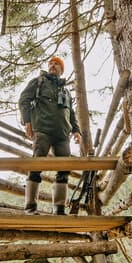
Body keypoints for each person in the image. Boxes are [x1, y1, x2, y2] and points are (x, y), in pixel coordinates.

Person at [18, 56, 82, 215]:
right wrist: (27, 121)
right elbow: (23, 99)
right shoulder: (38, 82)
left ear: (61, 70)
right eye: (51, 64)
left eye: (57, 64)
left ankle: (59, 209)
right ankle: (30, 207)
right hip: (43, 130)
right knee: (36, 165)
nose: (53, 66)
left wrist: (76, 130)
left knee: (64, 170)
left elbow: (71, 113)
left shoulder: (65, 91)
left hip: (62, 135)